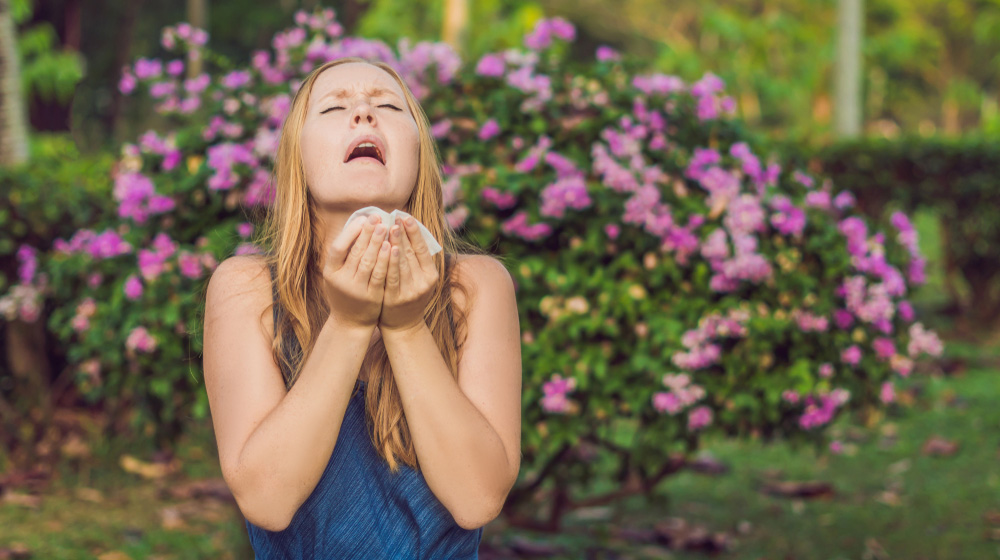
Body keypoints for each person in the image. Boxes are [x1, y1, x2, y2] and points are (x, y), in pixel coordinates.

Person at [201, 56, 522, 559]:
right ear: (297, 160)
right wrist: (349, 324)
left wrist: (407, 326)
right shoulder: (245, 289)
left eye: (389, 105)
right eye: (334, 108)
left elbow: (478, 498)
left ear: (420, 158)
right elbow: (267, 500)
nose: (364, 114)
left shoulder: (475, 287)